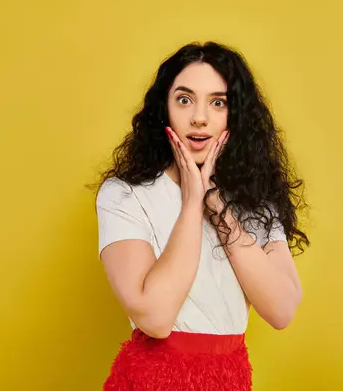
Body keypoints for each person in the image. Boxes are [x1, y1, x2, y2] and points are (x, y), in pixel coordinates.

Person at [93, 41, 310, 391]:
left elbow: (282, 310)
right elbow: (156, 318)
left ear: (235, 116)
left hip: (231, 379)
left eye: (218, 102)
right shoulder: (125, 194)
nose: (199, 117)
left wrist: (216, 204)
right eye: (184, 99)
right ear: (163, 110)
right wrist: (192, 205)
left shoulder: (256, 202)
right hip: (152, 380)